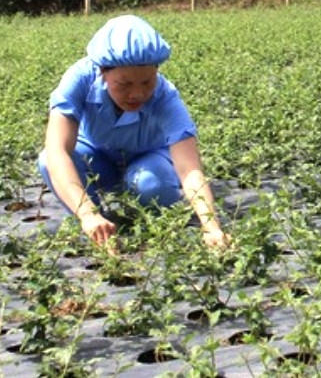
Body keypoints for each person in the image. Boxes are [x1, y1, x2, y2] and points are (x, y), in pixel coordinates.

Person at [38, 14, 232, 249]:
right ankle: (98, 226)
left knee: (149, 184)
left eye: (146, 82)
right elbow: (57, 149)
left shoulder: (165, 96)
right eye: (125, 84)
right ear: (102, 72)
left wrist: (211, 227)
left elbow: (189, 169)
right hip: (97, 158)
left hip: (148, 158)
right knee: (48, 160)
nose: (137, 94)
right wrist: (88, 214)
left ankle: (149, 222)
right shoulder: (79, 79)